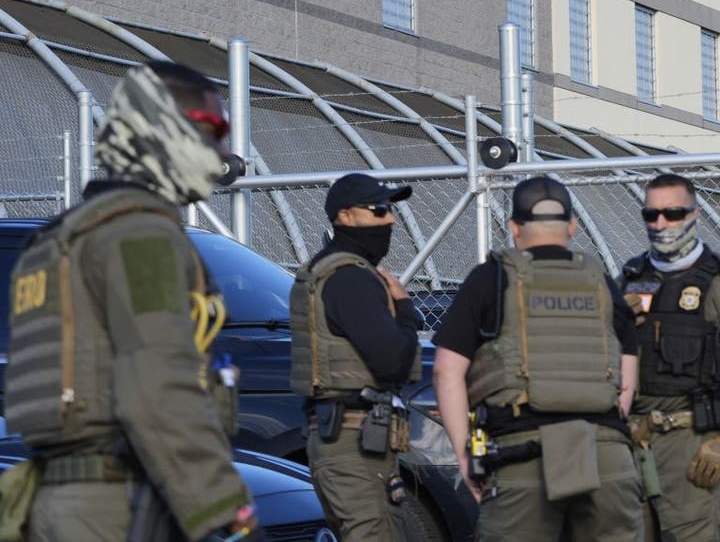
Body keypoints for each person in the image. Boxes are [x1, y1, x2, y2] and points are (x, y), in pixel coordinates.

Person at [3, 62, 257, 541]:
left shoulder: (58, 239)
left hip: (60, 496)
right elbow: (158, 384)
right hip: (122, 501)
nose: (224, 152)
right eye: (213, 131)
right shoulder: (140, 235)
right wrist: (225, 507)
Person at [431, 176, 643, 541]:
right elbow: (628, 372)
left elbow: (445, 372)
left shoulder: (491, 279)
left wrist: (466, 456)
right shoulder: (601, 281)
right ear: (572, 226)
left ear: (514, 227)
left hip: (522, 454)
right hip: (604, 454)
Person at [621, 173, 720, 541]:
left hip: (695, 445)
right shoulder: (629, 281)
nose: (660, 223)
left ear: (694, 214)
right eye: (651, 214)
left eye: (673, 213)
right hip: (632, 445)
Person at [289, 172, 422, 541]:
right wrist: (405, 310)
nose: (390, 218)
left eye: (391, 209)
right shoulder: (350, 278)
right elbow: (393, 361)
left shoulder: (330, 270)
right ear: (345, 216)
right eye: (378, 210)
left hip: (348, 442)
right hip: (354, 445)